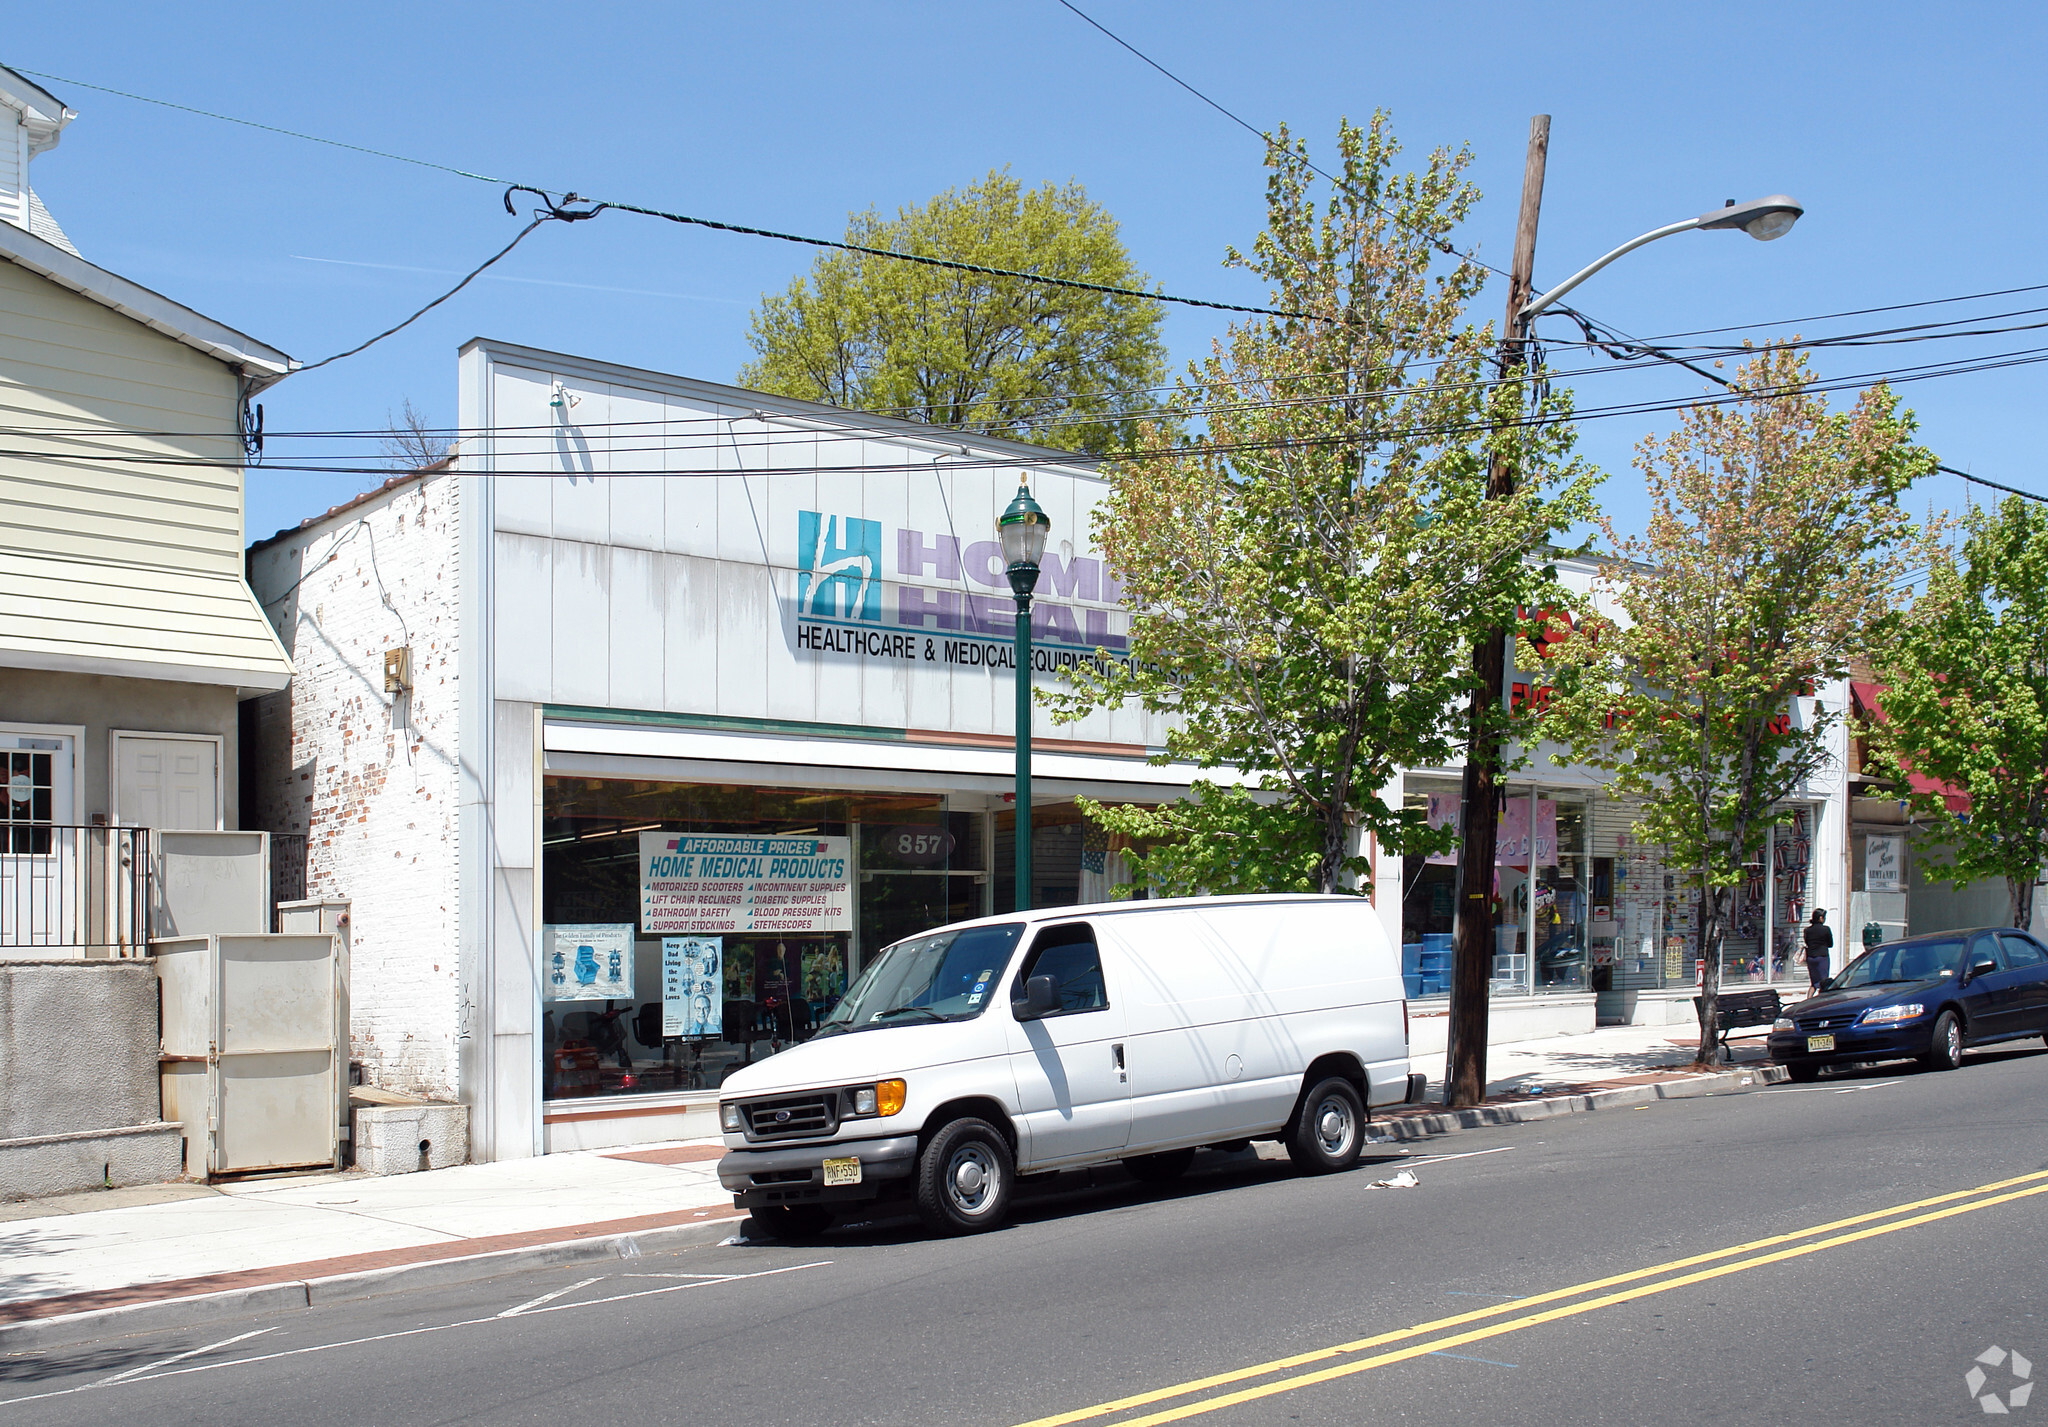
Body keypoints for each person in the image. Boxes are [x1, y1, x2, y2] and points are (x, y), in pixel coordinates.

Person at [1803, 910, 1834, 992]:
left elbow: (1807, 942)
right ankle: (1822, 1000)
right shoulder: (1826, 929)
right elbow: (1830, 944)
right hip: (1822, 956)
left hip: (1811, 957)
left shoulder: (1807, 930)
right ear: (1820, 918)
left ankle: (1809, 1000)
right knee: (1824, 982)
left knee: (1813, 983)